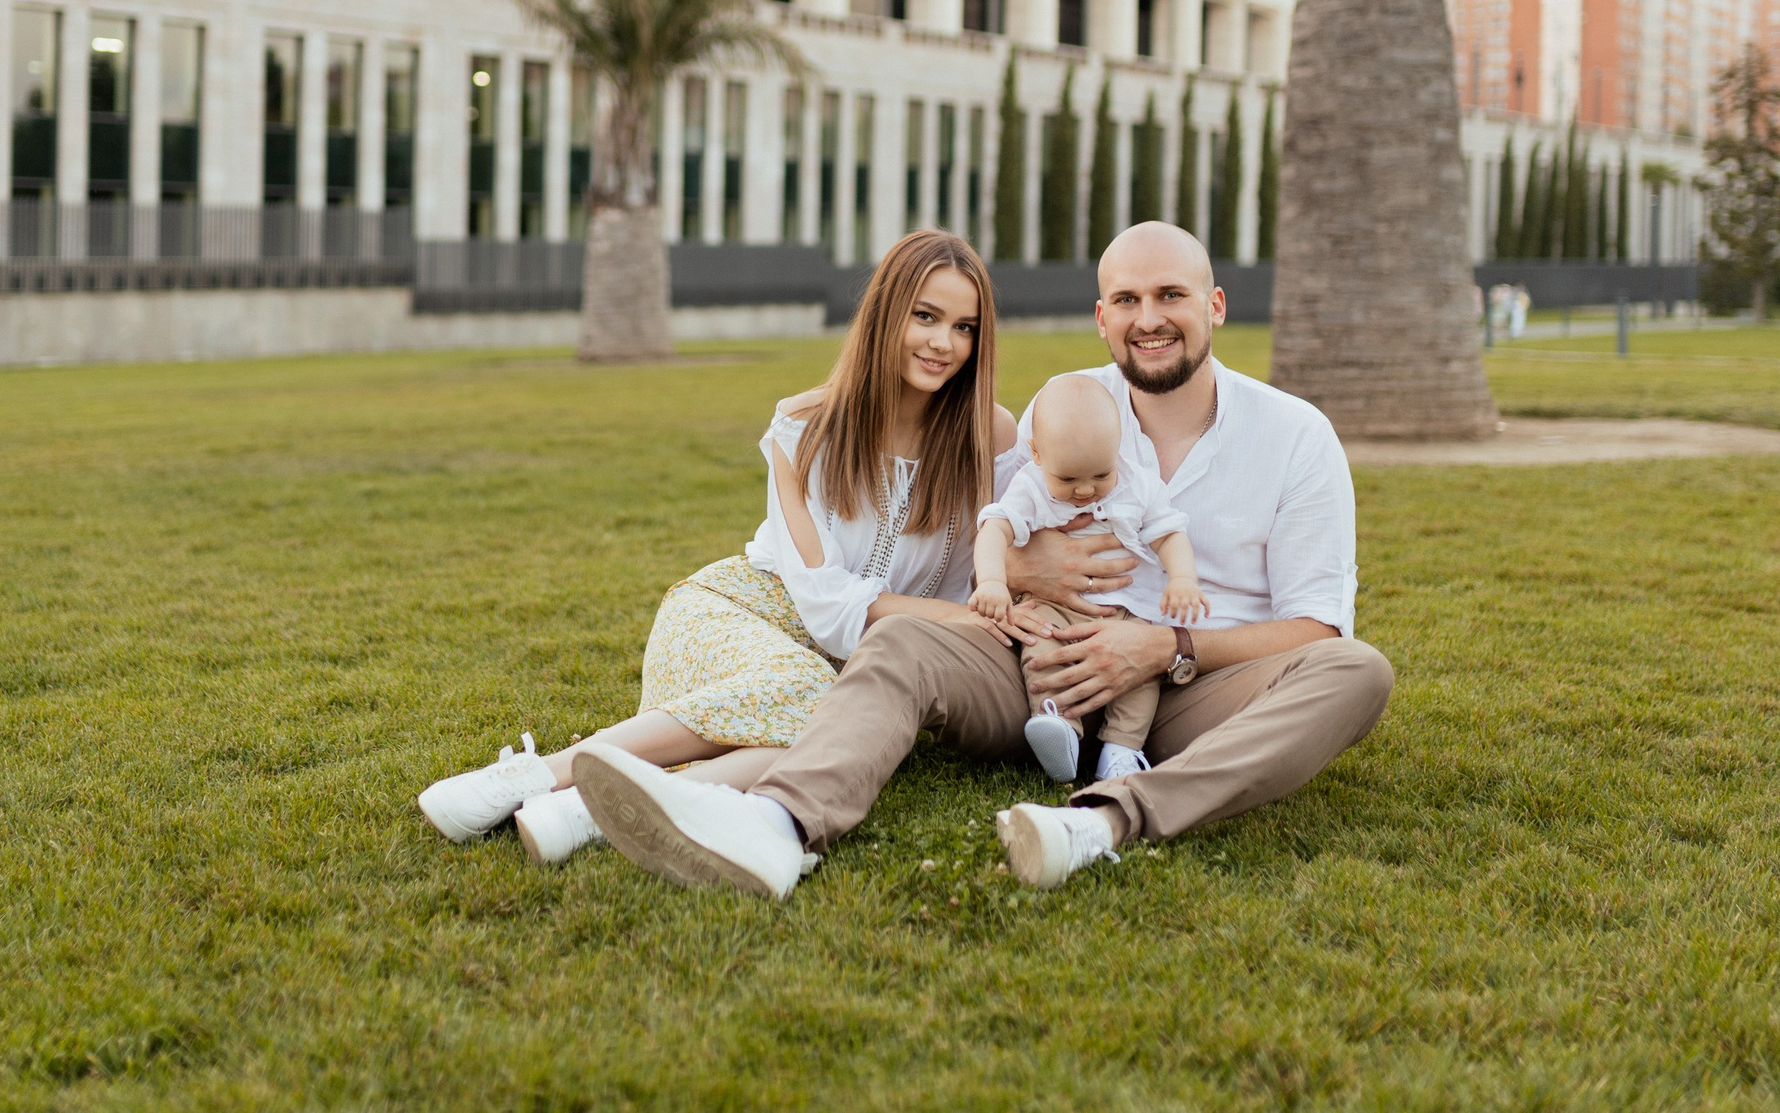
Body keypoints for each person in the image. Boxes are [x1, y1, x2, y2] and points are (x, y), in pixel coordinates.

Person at [573, 221, 1394, 899]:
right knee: (899, 638)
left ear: (1213, 304)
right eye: (1128, 300)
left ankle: (1105, 817)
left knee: (1357, 671)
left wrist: (1163, 646)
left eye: (1172, 295)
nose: (1151, 318)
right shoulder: (1065, 408)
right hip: (1036, 668)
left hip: (1189, 690)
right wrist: (1027, 588)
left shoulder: (1295, 435)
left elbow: (1317, 625)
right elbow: (989, 546)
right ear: (1101, 318)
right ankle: (779, 823)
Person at [416, 229, 1023, 866]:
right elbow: (827, 607)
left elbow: (1008, 546)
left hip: (853, 669)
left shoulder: (990, 435)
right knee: (815, 702)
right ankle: (543, 773)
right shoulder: (803, 427)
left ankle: (587, 810)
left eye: (964, 327)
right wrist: (961, 616)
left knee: (821, 741)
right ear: (885, 314)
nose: (943, 343)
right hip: (742, 611)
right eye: (924, 316)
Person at [968, 372, 1202, 787]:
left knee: (1142, 679)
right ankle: (1058, 727)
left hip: (1125, 615)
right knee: (1041, 655)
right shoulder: (1031, 488)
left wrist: (1182, 577)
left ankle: (1122, 751)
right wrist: (991, 582)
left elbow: (1169, 532)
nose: (1085, 491)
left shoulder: (1137, 485)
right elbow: (995, 529)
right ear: (1037, 454)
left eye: (1099, 475)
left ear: (1118, 452)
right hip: (1053, 609)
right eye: (1068, 479)